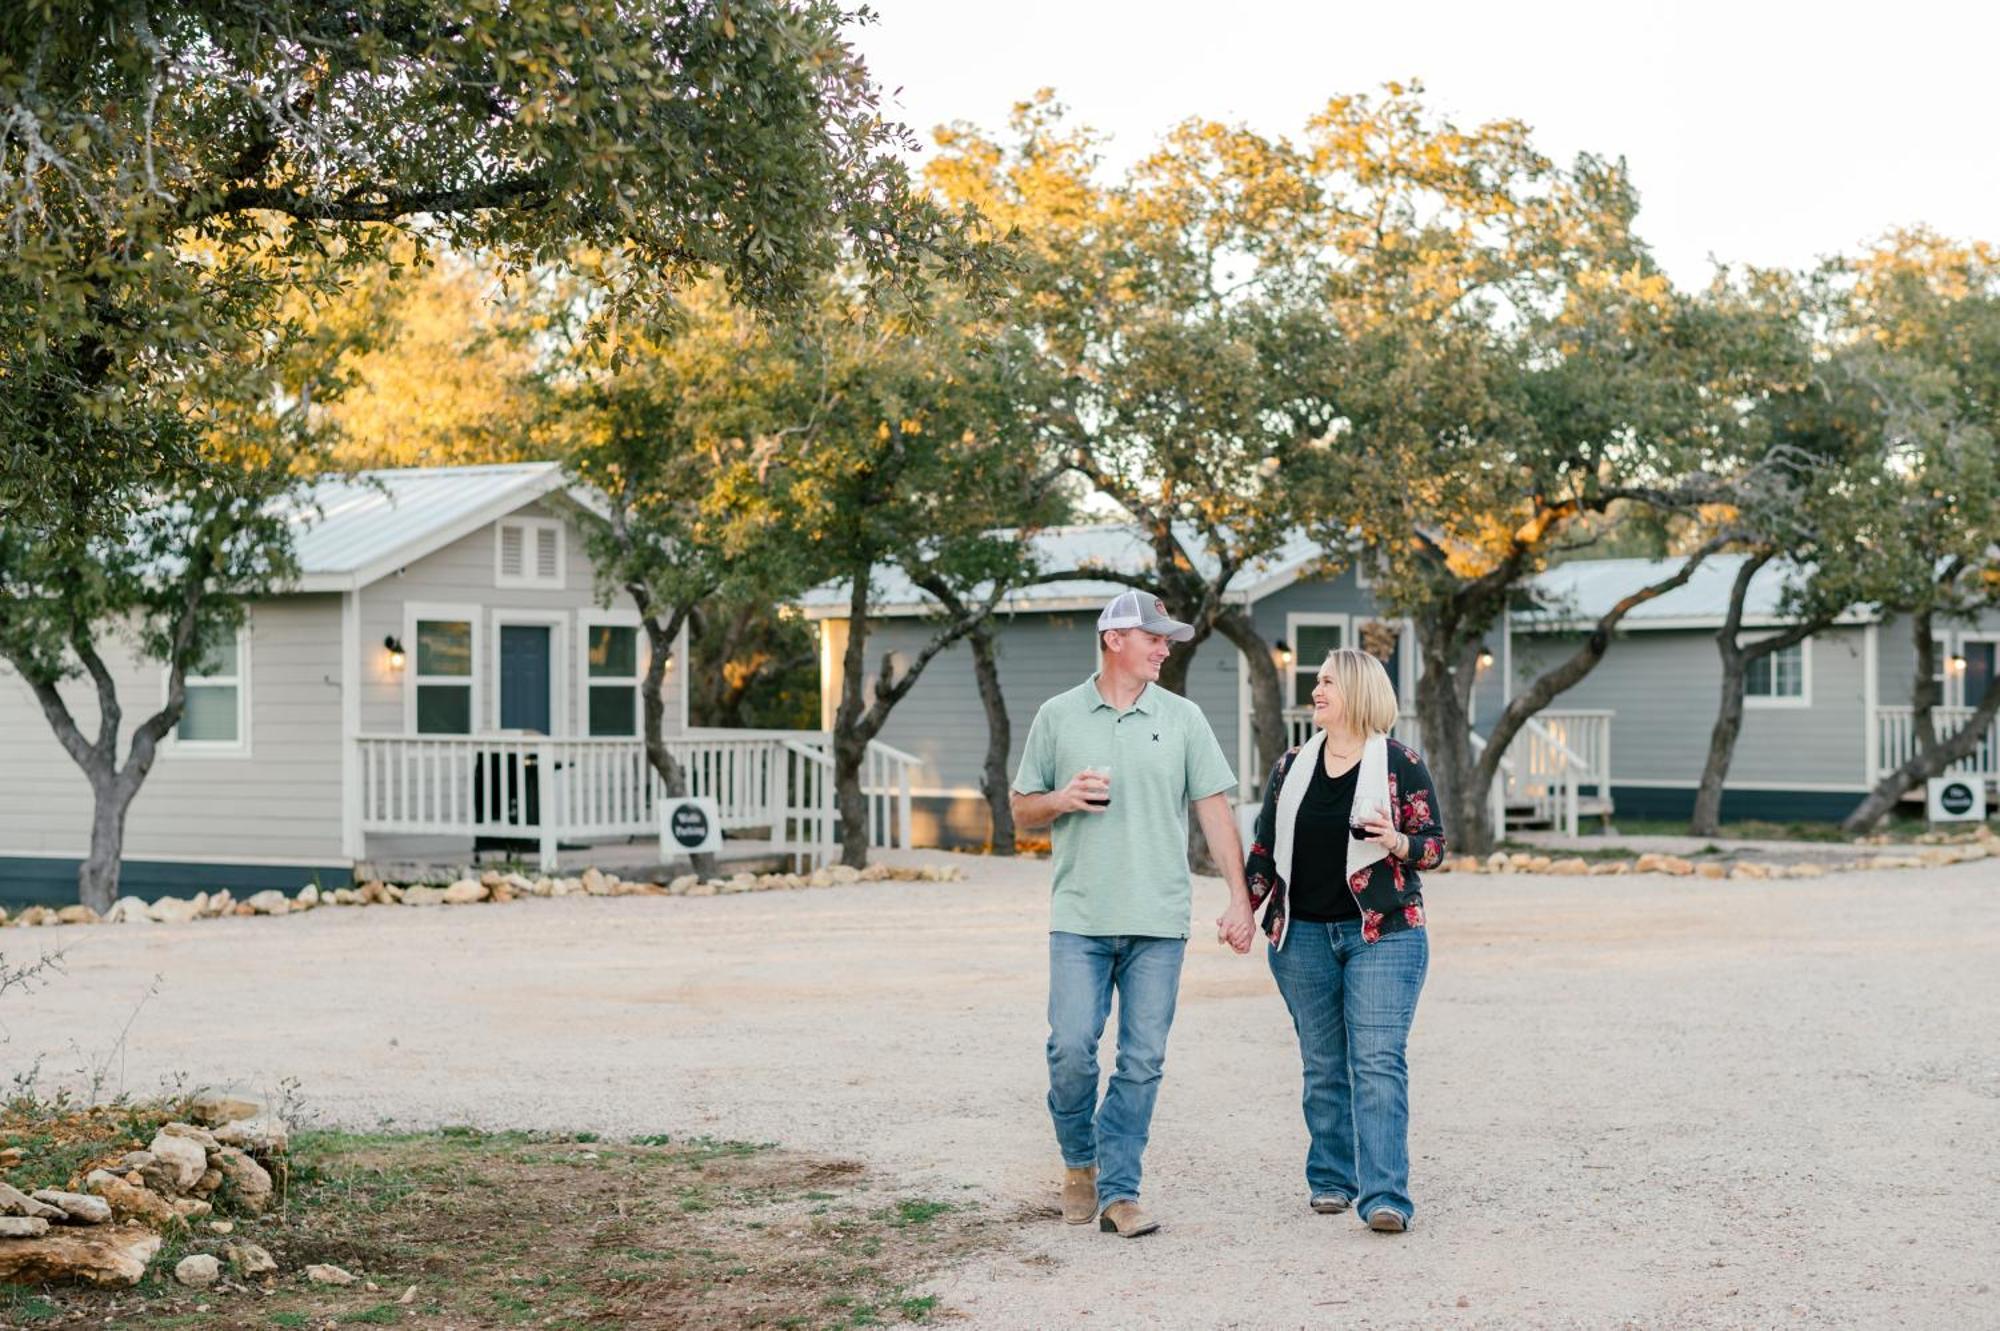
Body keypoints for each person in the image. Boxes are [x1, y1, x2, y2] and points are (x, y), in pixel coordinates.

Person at [1010, 590, 1256, 1238]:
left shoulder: (1182, 718)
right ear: (1115, 638)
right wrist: (1061, 798)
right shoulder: (1058, 715)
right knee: (1070, 1048)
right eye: (1154, 637)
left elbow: (1214, 811)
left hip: (1158, 922)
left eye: (1167, 639)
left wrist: (1239, 897)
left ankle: (1120, 1191)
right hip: (1081, 917)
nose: (1164, 648)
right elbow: (1020, 809)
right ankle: (1078, 1162)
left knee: (1142, 1059)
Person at [1243, 647, 1446, 1234]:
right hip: (1301, 932)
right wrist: (1244, 908)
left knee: (1378, 1060)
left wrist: (1398, 841)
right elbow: (1264, 848)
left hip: (1383, 933)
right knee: (1322, 1063)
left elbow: (1433, 846)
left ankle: (1385, 1196)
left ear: (1356, 690)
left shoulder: (1400, 764)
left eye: (1327, 681)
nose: (1316, 690)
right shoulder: (1290, 767)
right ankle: (1332, 1178)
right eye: (1316, 681)